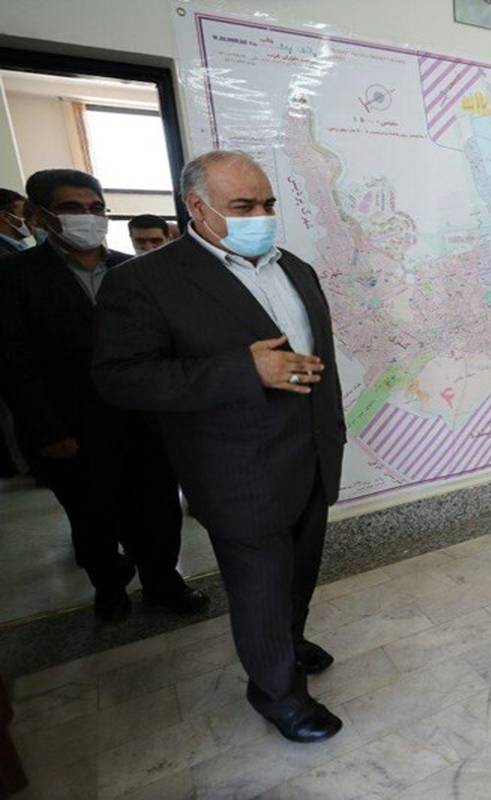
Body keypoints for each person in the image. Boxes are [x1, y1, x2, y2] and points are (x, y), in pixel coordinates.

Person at [92, 150, 347, 743]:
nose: (261, 217)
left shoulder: (296, 268)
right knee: (259, 588)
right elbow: (120, 378)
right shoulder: (144, 281)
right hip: (236, 472)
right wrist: (242, 370)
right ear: (198, 208)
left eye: (268, 204)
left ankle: (287, 644)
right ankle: (277, 694)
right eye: (243, 206)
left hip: (312, 456)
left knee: (298, 573)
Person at [0, 169, 207, 621]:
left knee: (157, 510)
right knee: (91, 517)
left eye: (96, 208)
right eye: (71, 208)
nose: (87, 217)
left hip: (143, 421)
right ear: (39, 214)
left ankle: (163, 581)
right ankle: (109, 587)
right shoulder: (13, 277)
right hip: (70, 428)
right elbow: (12, 363)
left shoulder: (134, 270)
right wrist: (47, 430)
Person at [0, 189, 32, 255]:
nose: (34, 221)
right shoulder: (3, 254)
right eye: (26, 214)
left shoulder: (19, 244)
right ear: (6, 216)